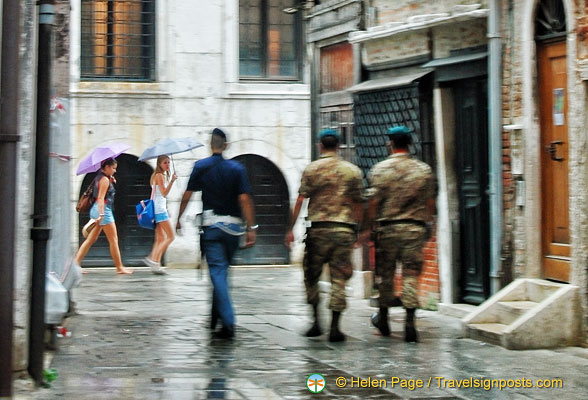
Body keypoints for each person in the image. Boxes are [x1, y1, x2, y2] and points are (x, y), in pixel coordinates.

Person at [176, 128, 257, 339]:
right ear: (226, 145)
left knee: (218, 273)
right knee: (221, 272)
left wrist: (178, 218)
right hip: (233, 230)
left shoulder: (201, 167)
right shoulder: (237, 169)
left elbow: (187, 195)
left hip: (212, 228)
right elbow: (245, 200)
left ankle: (228, 322)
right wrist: (251, 228)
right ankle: (215, 317)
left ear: (211, 144)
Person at [285, 129, 364, 342]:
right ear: (338, 146)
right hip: (343, 230)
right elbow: (358, 202)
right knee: (339, 277)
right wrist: (360, 229)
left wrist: (290, 228)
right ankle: (336, 326)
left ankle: (316, 321)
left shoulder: (312, 169)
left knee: (311, 275)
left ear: (321, 145)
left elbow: (301, 200)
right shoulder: (352, 171)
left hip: (318, 231)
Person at [362, 125, 435, 342]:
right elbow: (430, 202)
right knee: (411, 274)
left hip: (388, 230)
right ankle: (410, 321)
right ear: (410, 144)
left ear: (390, 144)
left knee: (386, 276)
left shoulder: (379, 170)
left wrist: (369, 227)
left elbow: (373, 202)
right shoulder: (423, 170)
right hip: (414, 229)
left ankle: (383, 319)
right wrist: (427, 222)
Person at [74, 158, 133, 275]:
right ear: (106, 167)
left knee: (91, 239)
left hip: (97, 209)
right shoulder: (104, 180)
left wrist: (110, 181)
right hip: (103, 210)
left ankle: (75, 264)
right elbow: (101, 198)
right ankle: (120, 267)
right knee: (113, 240)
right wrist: (101, 214)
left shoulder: (100, 178)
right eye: (113, 168)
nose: (115, 170)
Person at [143, 155, 178, 274]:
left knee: (160, 238)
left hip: (157, 208)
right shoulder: (160, 176)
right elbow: (164, 193)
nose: (167, 165)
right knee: (171, 236)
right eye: (165, 163)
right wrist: (172, 181)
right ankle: (154, 259)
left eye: (168, 162)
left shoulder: (156, 176)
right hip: (160, 210)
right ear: (159, 164)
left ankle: (155, 264)